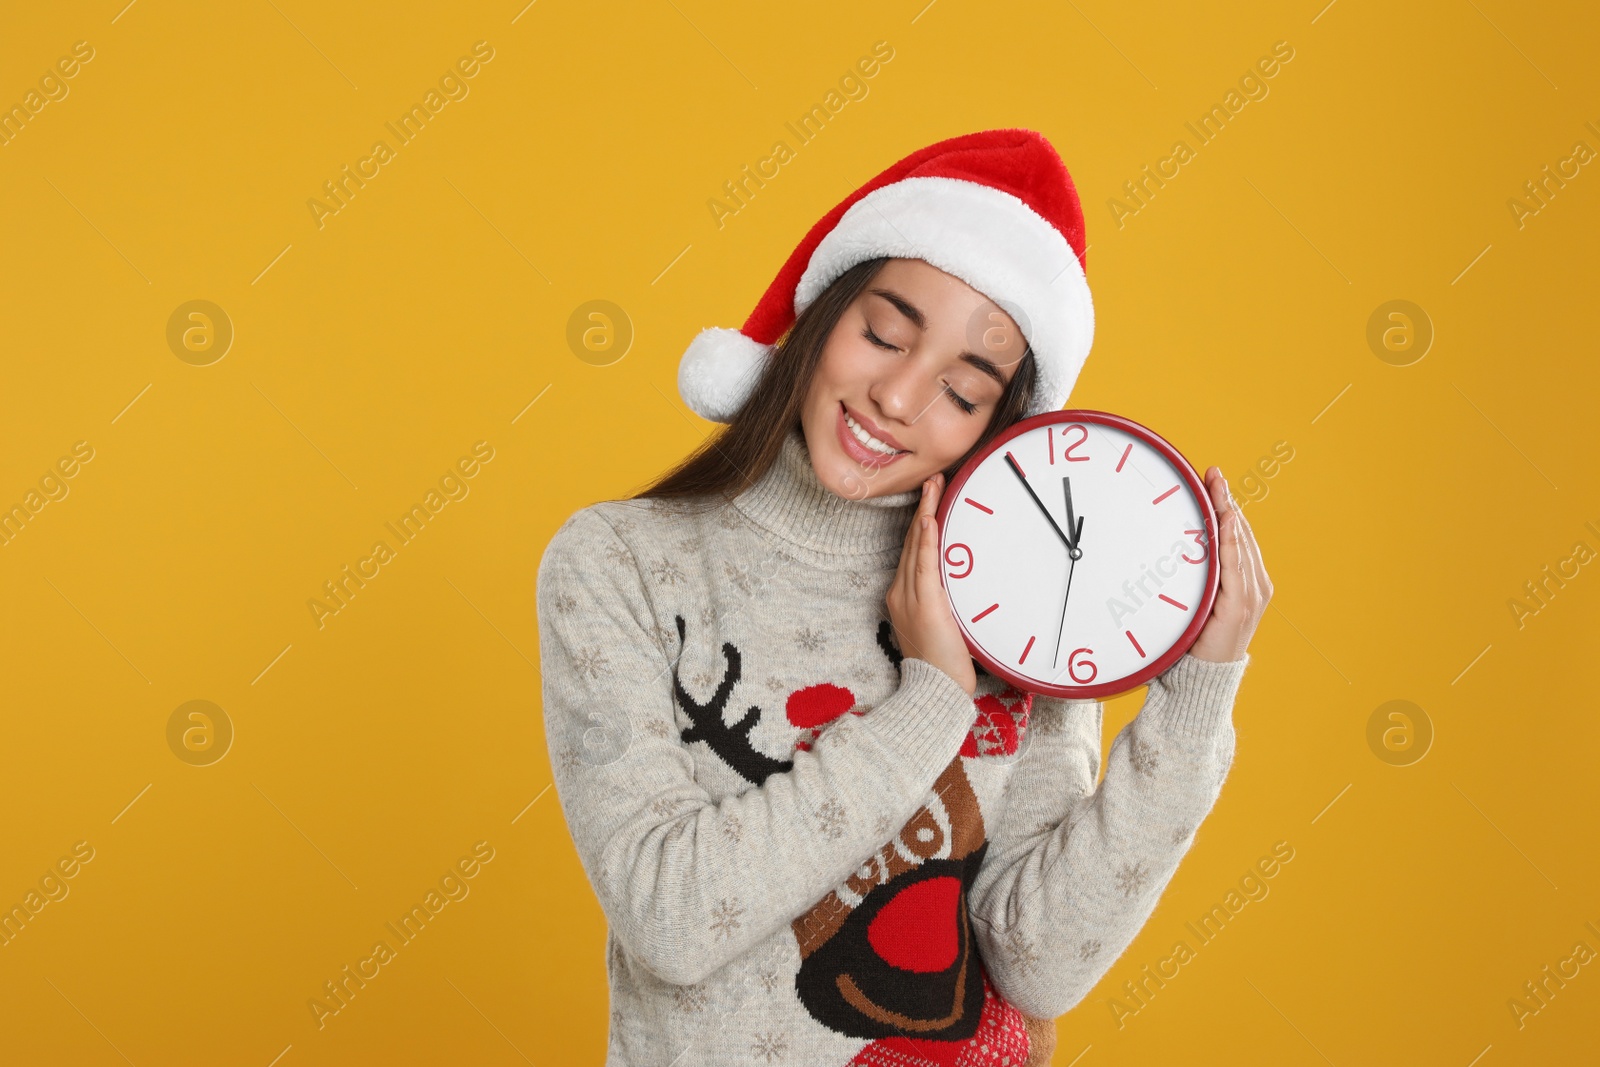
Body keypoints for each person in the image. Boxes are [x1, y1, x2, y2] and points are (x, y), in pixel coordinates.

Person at [537, 128, 1271, 1067]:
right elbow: (671, 919)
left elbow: (1037, 962)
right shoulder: (620, 563)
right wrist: (930, 704)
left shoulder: (1030, 607)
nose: (899, 396)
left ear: (1000, 424)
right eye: (884, 334)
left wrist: (1194, 706)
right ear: (823, 314)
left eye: (963, 392)